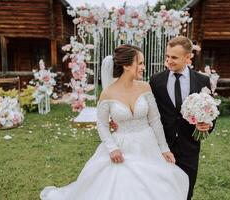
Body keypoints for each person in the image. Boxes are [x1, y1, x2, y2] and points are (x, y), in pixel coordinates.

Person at [40, 44, 189, 200]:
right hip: (122, 147)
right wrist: (112, 148)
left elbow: (155, 120)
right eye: (140, 63)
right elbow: (102, 125)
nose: (143, 67)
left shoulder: (145, 87)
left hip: (148, 145)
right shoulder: (107, 93)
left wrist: (164, 148)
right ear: (126, 65)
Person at [150, 36, 215, 200]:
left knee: (186, 190)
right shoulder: (156, 81)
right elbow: (148, 111)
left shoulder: (202, 80)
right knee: (161, 191)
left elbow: (211, 109)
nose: (169, 61)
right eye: (167, 56)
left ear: (188, 57)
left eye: (174, 57)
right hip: (163, 147)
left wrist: (208, 124)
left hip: (189, 147)